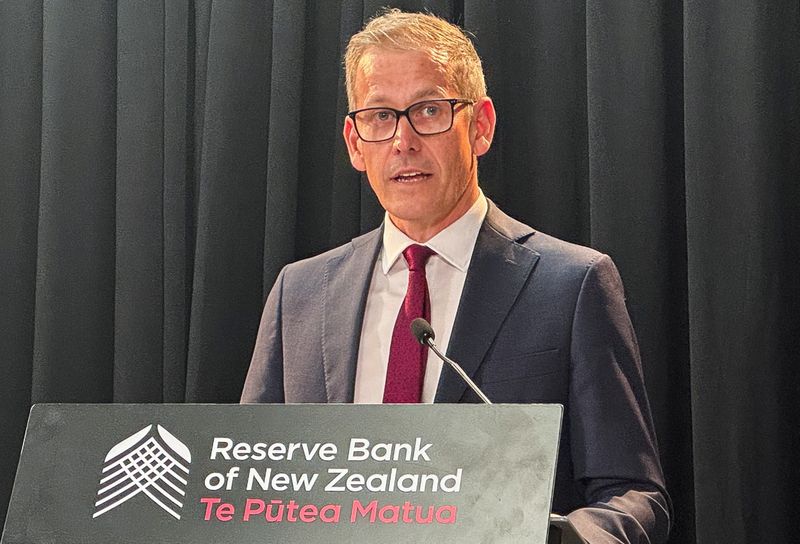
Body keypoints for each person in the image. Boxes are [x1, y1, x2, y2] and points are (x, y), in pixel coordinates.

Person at [241, 9, 671, 543]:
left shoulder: (572, 285)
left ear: (481, 125)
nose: (403, 140)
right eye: (380, 116)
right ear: (354, 142)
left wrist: (561, 538)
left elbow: (633, 495)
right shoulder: (300, 293)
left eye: (428, 110)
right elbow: (251, 491)